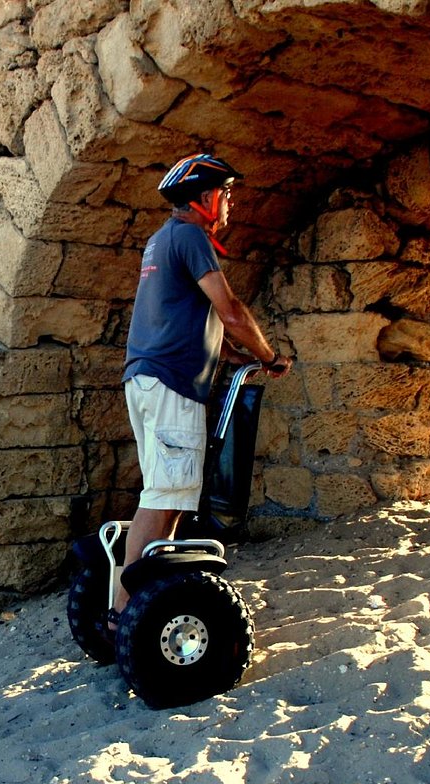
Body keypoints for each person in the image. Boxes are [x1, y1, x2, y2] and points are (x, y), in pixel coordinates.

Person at [114, 154, 292, 631]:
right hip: (171, 384)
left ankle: (142, 601)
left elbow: (180, 317)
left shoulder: (161, 240)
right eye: (227, 193)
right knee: (164, 494)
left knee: (169, 495)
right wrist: (269, 354)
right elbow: (229, 309)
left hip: (149, 378)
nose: (231, 202)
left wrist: (232, 356)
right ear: (205, 199)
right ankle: (124, 614)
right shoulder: (191, 237)